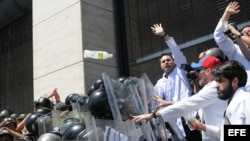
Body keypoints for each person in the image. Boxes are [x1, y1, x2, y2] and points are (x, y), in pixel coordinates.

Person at [132, 56, 228, 141]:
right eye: (163, 61)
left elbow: (187, 104)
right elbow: (191, 103)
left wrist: (153, 115)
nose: (197, 74)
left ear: (208, 71)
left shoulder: (214, 87)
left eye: (199, 70)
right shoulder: (212, 87)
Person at [151, 23, 196, 140]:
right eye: (163, 61)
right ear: (160, 65)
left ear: (174, 61)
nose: (166, 62)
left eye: (168, 60)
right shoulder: (159, 83)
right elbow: (157, 102)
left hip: (190, 116)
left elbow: (176, 51)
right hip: (174, 124)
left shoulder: (180, 70)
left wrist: (164, 35)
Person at [214, 1, 250, 85]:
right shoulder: (235, 51)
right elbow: (219, 36)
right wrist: (226, 14)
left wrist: (236, 32)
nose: (247, 33)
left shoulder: (238, 34)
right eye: (245, 32)